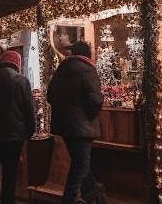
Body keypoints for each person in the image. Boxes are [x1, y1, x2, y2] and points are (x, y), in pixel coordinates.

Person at [47, 41, 106, 204]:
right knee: (81, 164)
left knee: (80, 160)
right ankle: (70, 197)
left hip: (65, 125)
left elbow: (50, 96)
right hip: (82, 126)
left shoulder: (61, 70)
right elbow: (95, 99)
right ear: (87, 54)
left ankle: (94, 191)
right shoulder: (87, 70)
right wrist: (89, 115)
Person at [0, 50, 35, 204]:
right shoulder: (22, 81)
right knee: (10, 172)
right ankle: (7, 200)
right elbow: (28, 109)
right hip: (14, 135)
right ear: (17, 64)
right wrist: (30, 130)